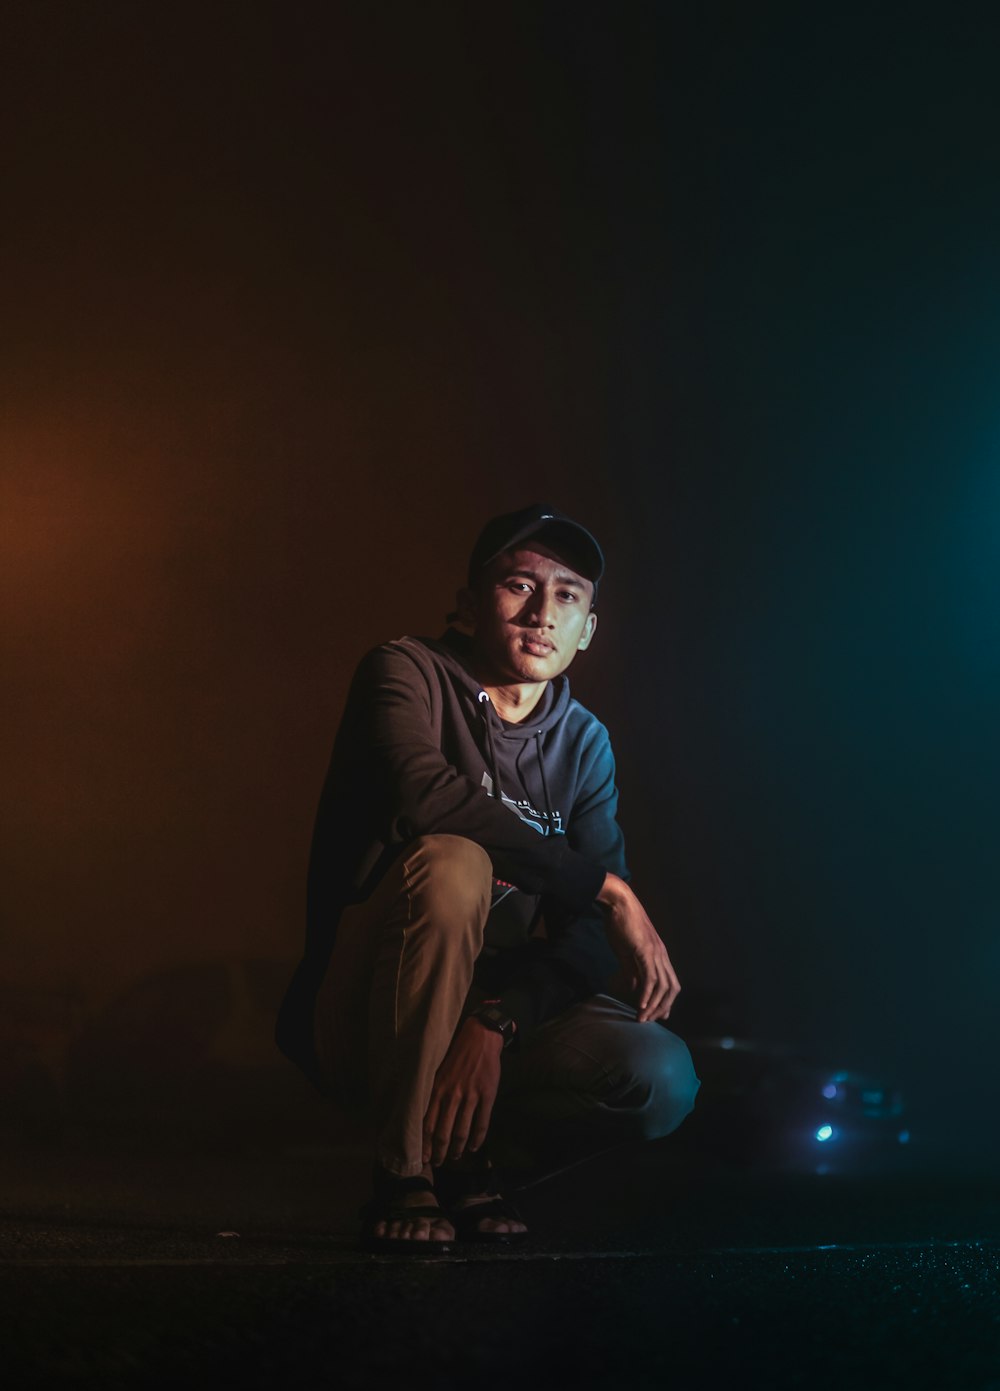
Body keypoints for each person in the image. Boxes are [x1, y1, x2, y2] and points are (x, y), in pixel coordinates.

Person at [276, 504, 700, 1250]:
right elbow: (425, 796)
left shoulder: (584, 742)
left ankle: (475, 1156)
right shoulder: (404, 669)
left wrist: (497, 1021)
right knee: (453, 859)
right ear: (469, 605)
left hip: (482, 1009)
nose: (543, 612)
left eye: (568, 595)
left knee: (660, 1074)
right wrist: (609, 888)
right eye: (518, 586)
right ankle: (405, 1168)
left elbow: (592, 944)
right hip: (364, 1008)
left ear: (588, 628)